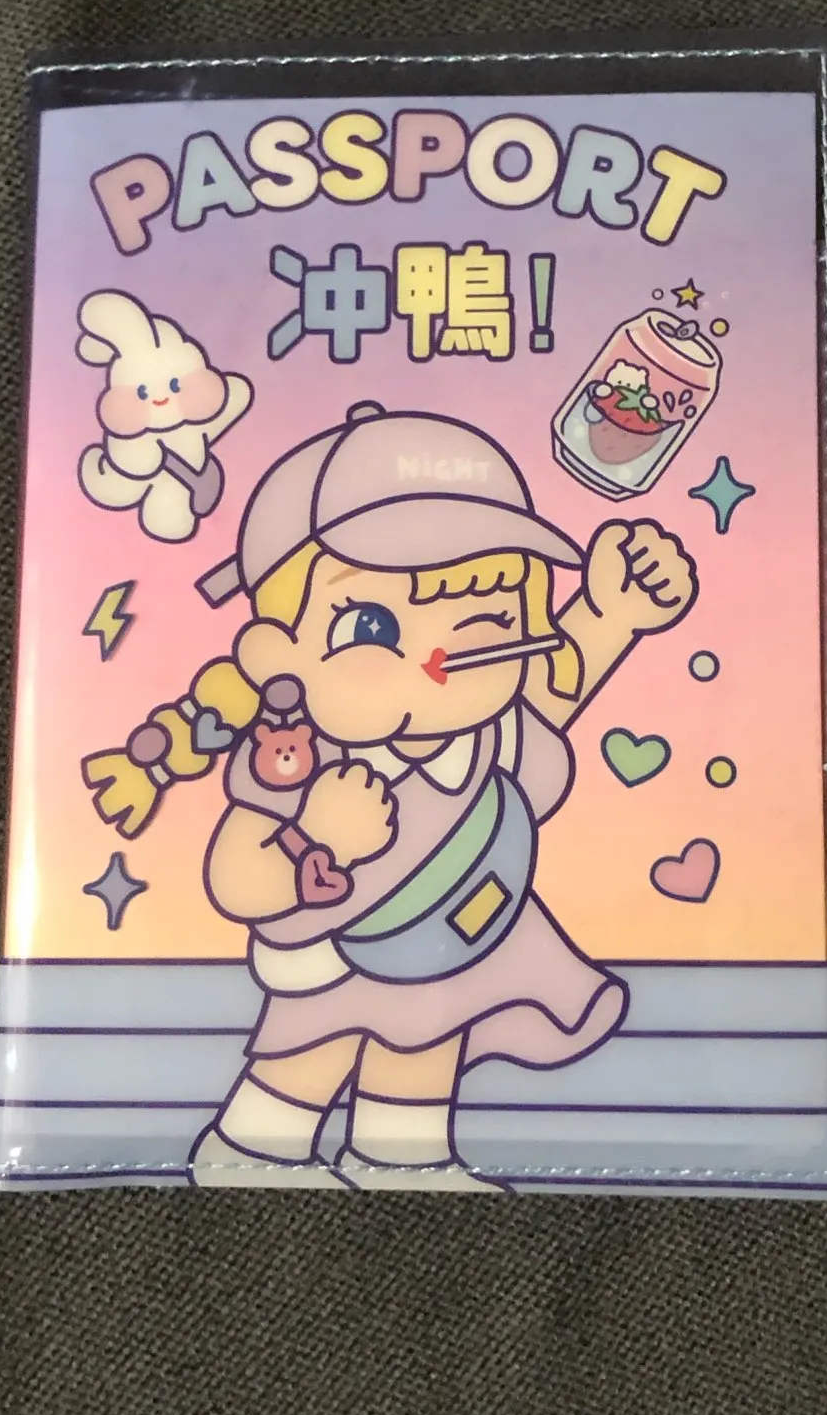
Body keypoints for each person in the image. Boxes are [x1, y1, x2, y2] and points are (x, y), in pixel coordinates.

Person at [115, 401, 698, 1190]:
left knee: (429, 1036)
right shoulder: (295, 758)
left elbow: (553, 693)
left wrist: (611, 614)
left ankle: (404, 1155)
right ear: (274, 654)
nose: (439, 656)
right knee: (312, 1048)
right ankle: (252, 1147)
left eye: (488, 617)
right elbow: (237, 875)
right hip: (337, 952)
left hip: (458, 937)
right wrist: (320, 841)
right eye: (373, 626)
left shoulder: (491, 735)